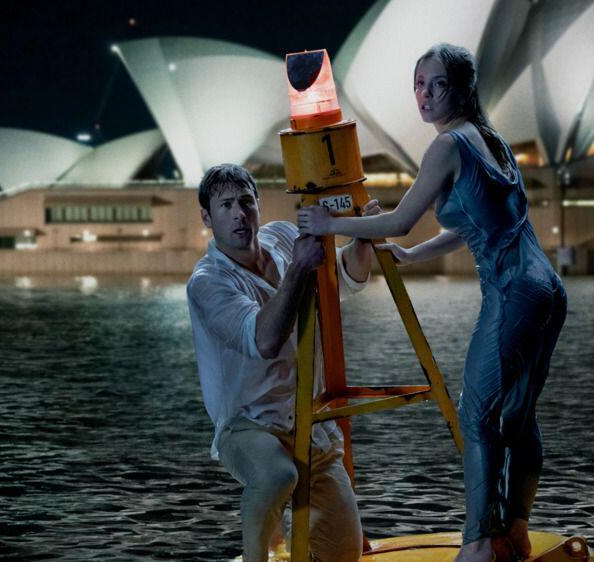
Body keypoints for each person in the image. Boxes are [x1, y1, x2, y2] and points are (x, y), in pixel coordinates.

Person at [297, 44, 567, 561]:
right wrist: (415, 255)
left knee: (477, 416)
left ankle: (479, 545)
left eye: (436, 84)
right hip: (547, 291)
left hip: (513, 292)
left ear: (462, 89)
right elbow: (477, 224)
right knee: (517, 414)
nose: (423, 94)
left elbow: (398, 219)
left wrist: (331, 224)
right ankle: (515, 528)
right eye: (418, 84)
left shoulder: (447, 147)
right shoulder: (493, 140)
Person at [187, 163, 378, 562]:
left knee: (343, 553)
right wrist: (298, 269)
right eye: (225, 205)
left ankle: (289, 546)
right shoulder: (208, 282)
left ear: (258, 204)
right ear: (207, 217)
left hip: (308, 423)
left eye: (245, 201)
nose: (239, 213)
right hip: (248, 424)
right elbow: (265, 339)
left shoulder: (282, 237)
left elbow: (345, 278)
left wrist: (363, 236)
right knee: (277, 475)